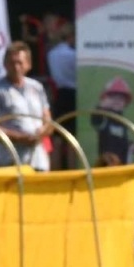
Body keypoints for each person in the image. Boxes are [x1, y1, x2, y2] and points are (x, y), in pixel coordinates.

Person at [0, 42, 52, 169]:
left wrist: (41, 133)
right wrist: (19, 137)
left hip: (38, 160)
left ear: (28, 65)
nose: (16, 67)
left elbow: (48, 121)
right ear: (5, 65)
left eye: (20, 63)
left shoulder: (37, 88)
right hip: (10, 160)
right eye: (12, 63)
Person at [44, 14, 77, 168]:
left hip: (59, 94)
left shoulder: (52, 54)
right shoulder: (73, 56)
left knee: (57, 136)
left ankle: (55, 168)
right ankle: (71, 168)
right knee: (71, 136)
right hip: (72, 94)